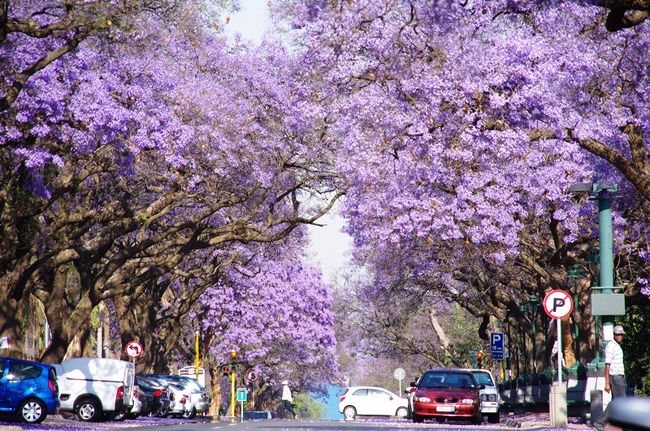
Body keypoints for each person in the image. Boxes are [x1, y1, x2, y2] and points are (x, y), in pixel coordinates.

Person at [592, 325, 627, 431]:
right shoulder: (611, 346)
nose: (620, 336)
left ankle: (600, 423)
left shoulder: (616, 346)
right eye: (617, 334)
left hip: (619, 377)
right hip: (615, 377)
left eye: (621, 334)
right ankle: (600, 423)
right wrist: (607, 383)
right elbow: (607, 365)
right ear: (614, 335)